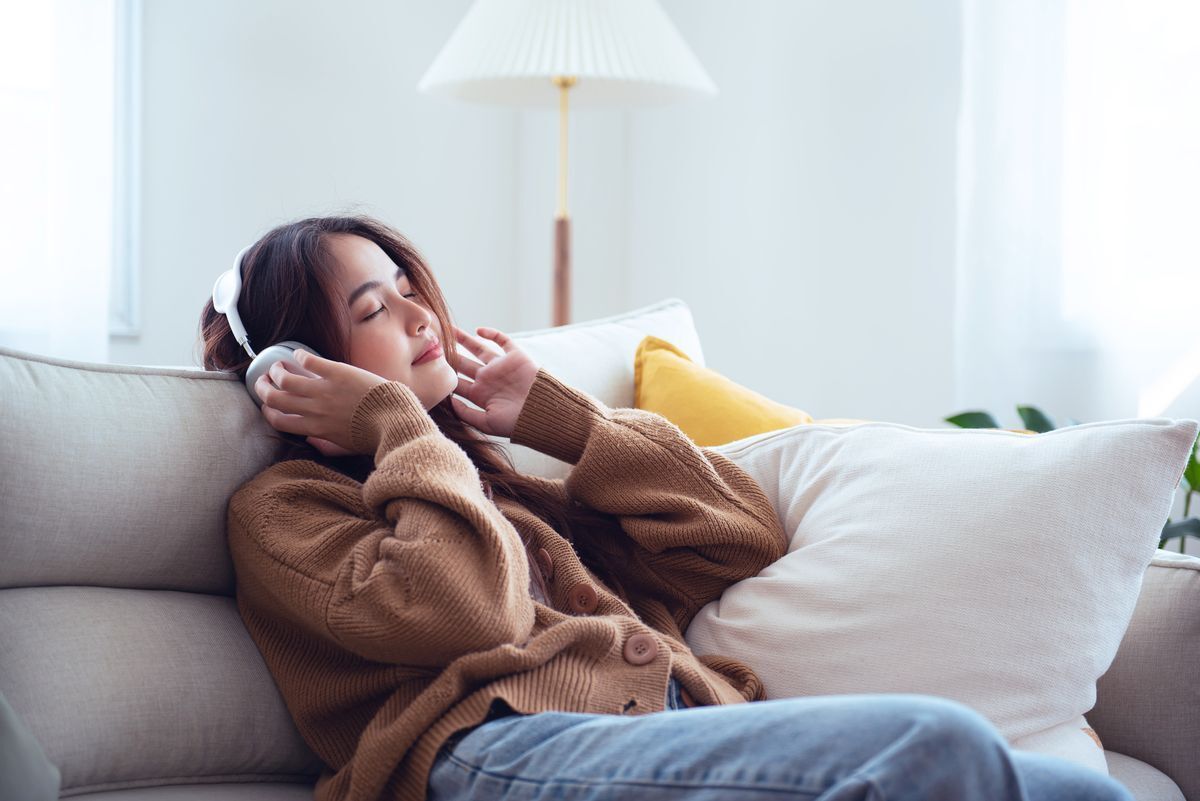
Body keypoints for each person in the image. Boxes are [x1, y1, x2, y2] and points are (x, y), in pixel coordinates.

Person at [199, 213, 1135, 801]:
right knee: (937, 743)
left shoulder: (516, 492)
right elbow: (462, 609)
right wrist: (401, 425)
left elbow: (737, 537)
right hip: (490, 752)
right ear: (293, 367)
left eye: (414, 292)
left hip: (664, 729)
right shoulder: (285, 509)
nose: (422, 320)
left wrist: (563, 421)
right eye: (375, 309)